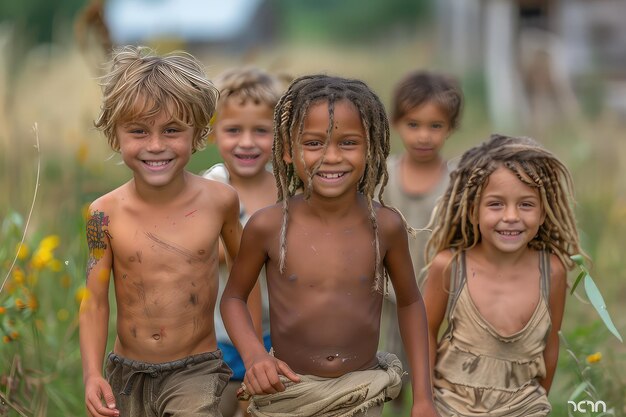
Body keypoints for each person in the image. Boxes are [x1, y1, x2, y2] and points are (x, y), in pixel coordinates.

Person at [221, 74, 439, 417]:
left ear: (372, 149)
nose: (331, 157)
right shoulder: (267, 226)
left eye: (348, 143)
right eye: (313, 143)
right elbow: (233, 298)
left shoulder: (385, 225)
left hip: (361, 394)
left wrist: (424, 398)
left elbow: (411, 304)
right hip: (289, 393)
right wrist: (254, 355)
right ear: (288, 151)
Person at [78, 45, 255, 417]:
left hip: (198, 369)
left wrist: (254, 353)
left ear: (198, 134)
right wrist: (93, 374)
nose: (156, 145)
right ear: (116, 136)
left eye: (172, 130)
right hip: (127, 374)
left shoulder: (220, 201)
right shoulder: (102, 215)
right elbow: (94, 301)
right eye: (139, 131)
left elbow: (245, 281)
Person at [423, 134, 583, 416]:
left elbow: (550, 347)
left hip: (524, 407)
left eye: (526, 204)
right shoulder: (449, 267)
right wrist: (424, 401)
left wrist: (536, 404)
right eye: (496, 204)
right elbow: (424, 332)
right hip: (451, 407)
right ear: (473, 211)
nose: (511, 216)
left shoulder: (552, 272)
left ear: (543, 213)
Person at [202, 66, 285, 417]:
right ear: (213, 133)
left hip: (277, 332)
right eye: (234, 130)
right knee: (221, 404)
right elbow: (206, 252)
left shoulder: (284, 189)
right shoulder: (212, 186)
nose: (247, 142)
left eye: (261, 131)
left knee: (263, 407)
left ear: (279, 134)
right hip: (220, 335)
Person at [379, 70, 463, 413]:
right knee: (385, 379)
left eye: (435, 126)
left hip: (437, 303)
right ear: (396, 122)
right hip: (384, 301)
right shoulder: (381, 175)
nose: (424, 135)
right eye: (413, 124)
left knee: (433, 378)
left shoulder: (458, 181)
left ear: (451, 127)